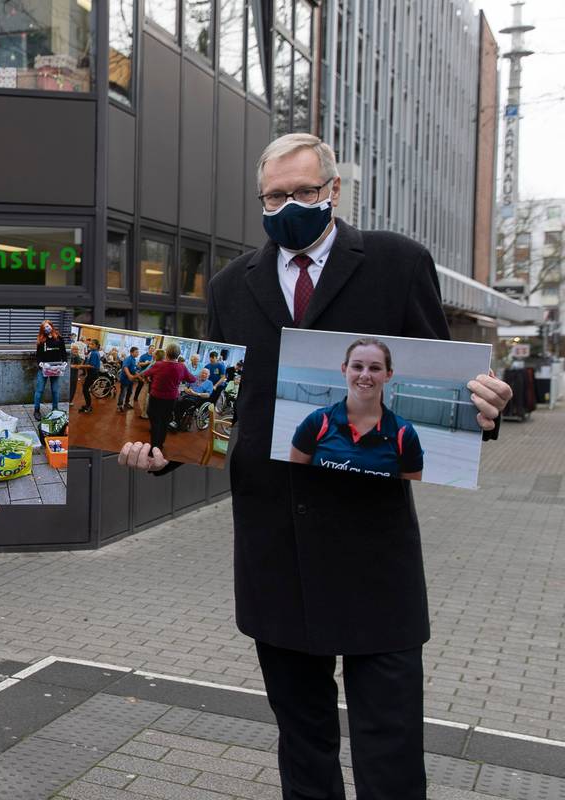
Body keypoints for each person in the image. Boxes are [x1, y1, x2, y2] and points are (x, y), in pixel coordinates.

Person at [117, 132, 512, 800]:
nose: (289, 205)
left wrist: (481, 407)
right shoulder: (231, 286)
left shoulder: (395, 263)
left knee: (389, 749)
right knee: (302, 745)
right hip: (277, 552)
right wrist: (157, 452)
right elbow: (207, 406)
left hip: (373, 553)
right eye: (275, 196)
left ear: (332, 190)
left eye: (303, 191)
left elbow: (441, 392)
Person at [290, 337, 424, 480]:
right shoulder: (317, 422)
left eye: (375, 368)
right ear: (344, 369)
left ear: (388, 374)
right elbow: (292, 482)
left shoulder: (404, 435)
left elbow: (409, 496)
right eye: (357, 367)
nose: (365, 375)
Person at [140, 342, 195, 450]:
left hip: (156, 397)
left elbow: (145, 374)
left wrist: (150, 378)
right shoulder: (181, 367)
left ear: (166, 353)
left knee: (155, 421)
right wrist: (180, 377)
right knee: (165, 421)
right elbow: (192, 379)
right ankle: (160, 444)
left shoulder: (158, 364)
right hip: (171, 399)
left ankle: (155, 445)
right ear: (178, 355)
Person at [32, 320, 69, 420]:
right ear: (42, 330)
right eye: (44, 328)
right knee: (39, 390)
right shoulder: (41, 339)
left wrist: (64, 362)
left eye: (48, 326)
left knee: (55, 390)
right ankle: (36, 410)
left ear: (52, 326)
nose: (47, 329)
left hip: (56, 368)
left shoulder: (59, 338)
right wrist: (41, 364)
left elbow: (63, 352)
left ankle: (55, 410)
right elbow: (38, 355)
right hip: (44, 368)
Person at [74, 338, 102, 413]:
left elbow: (92, 365)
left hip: (93, 373)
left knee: (85, 390)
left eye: (92, 344)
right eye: (90, 344)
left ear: (96, 346)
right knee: (85, 389)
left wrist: (81, 367)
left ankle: (88, 406)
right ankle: (87, 405)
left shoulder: (95, 353)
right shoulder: (91, 352)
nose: (90, 345)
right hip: (90, 373)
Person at [118, 346, 142, 412]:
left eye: (138, 352)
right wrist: (129, 375)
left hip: (130, 380)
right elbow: (125, 367)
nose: (138, 353)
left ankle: (126, 403)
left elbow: (133, 369)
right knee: (123, 392)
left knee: (129, 392)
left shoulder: (134, 359)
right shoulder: (128, 359)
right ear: (131, 352)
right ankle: (119, 406)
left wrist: (137, 369)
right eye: (136, 352)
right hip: (125, 379)